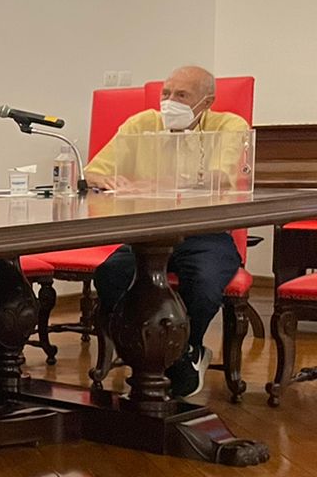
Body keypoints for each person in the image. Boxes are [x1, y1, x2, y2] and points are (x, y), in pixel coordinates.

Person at [88, 66, 247, 398]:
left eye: (181, 95)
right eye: (166, 93)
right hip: (147, 234)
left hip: (205, 233)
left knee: (203, 284)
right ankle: (160, 357)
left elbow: (219, 178)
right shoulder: (140, 124)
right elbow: (94, 172)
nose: (169, 101)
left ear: (207, 102)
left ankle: (186, 349)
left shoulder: (228, 126)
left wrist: (156, 183)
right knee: (110, 276)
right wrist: (106, 180)